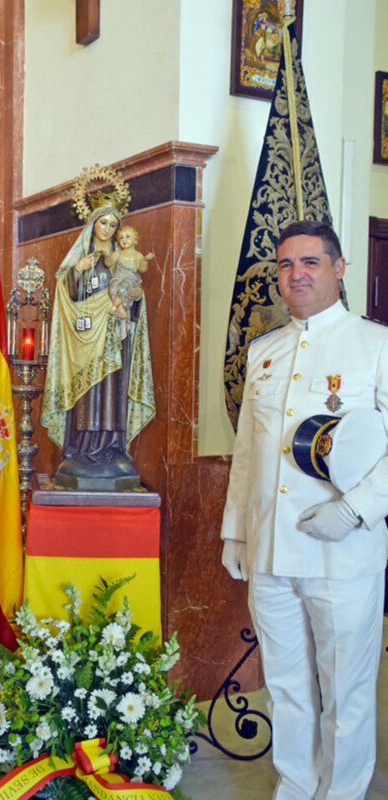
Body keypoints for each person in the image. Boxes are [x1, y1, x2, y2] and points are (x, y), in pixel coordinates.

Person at [221, 219, 388, 800]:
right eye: (286, 265)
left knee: (346, 694)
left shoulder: (376, 345)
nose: (296, 275)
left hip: (343, 554)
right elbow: (248, 452)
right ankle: (294, 789)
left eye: (310, 262)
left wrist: (357, 509)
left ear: (338, 268)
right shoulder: (265, 351)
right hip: (271, 553)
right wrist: (236, 533)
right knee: (288, 687)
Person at [41, 201, 155, 490]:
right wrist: (77, 271)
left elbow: (131, 297)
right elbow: (68, 295)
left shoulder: (119, 257)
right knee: (88, 392)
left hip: (114, 337)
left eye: (113, 225)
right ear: (93, 224)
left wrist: (136, 295)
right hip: (85, 341)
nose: (107, 229)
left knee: (114, 390)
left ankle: (112, 447)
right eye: (103, 223)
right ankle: (81, 448)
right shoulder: (82, 257)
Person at [105, 225, 153, 337]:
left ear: (135, 240)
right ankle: (120, 308)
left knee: (123, 288)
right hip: (117, 279)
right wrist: (107, 255)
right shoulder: (118, 254)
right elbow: (109, 263)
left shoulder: (137, 255)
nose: (124, 240)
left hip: (129, 280)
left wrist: (145, 260)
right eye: (121, 238)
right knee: (114, 288)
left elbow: (142, 268)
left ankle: (117, 307)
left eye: (127, 237)